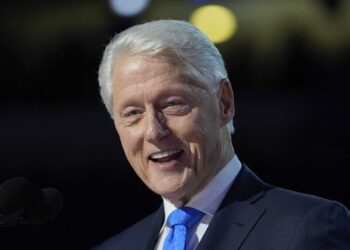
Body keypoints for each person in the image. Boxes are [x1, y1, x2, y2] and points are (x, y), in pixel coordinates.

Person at [93, 19, 350, 250]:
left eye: (173, 104)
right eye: (132, 113)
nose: (153, 131)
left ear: (224, 103)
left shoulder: (305, 228)